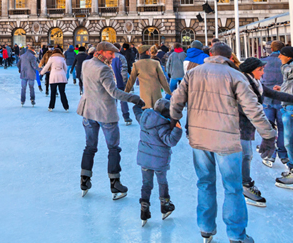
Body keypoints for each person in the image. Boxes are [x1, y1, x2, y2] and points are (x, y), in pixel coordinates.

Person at [170, 43, 276, 243]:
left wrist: (174, 119)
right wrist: (268, 135)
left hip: (199, 138)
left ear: (210, 55)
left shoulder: (193, 73)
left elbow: (176, 100)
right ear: (229, 57)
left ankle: (206, 229)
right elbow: (253, 109)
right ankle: (236, 235)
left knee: (204, 183)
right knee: (233, 187)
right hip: (226, 139)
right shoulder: (235, 75)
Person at [77, 42, 145, 200]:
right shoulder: (104, 69)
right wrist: (135, 98)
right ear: (101, 52)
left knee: (90, 147)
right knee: (113, 148)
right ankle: (115, 183)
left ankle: (84, 180)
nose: (113, 57)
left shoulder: (86, 63)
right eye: (110, 54)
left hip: (88, 110)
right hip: (105, 113)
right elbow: (114, 92)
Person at [238, 57, 293, 206]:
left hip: (247, 125)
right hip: (239, 125)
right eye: (260, 70)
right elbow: (250, 110)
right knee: (246, 155)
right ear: (251, 71)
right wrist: (267, 132)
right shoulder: (244, 84)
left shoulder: (255, 83)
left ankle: (243, 184)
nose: (263, 72)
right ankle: (245, 186)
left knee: (246, 155)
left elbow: (274, 94)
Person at [132, 98, 183, 226]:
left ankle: (144, 208)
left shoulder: (144, 118)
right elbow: (170, 141)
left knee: (146, 184)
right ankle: (165, 204)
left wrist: (138, 105)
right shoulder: (163, 125)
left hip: (144, 160)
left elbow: (137, 112)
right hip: (159, 162)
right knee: (162, 182)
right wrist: (177, 129)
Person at [260, 40, 288, 167]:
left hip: (267, 98)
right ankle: (283, 154)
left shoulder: (263, 62)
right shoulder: (286, 63)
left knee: (269, 128)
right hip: (283, 98)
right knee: (282, 128)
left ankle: (270, 155)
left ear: (271, 49)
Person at [125, 45, 170, 110]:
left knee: (146, 114)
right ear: (147, 52)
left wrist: (126, 91)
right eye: (149, 50)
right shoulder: (155, 63)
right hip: (156, 93)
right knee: (157, 113)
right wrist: (168, 91)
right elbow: (162, 79)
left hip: (144, 95)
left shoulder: (136, 64)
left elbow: (131, 80)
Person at [275, 45, 293, 188]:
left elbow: (288, 74)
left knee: (289, 140)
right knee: (288, 140)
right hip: (286, 105)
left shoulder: (289, 67)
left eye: (281, 54)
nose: (279, 56)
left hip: (290, 107)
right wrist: (282, 89)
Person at [111, 43, 131, 125]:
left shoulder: (108, 57)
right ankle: (126, 117)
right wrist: (125, 81)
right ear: (119, 48)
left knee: (112, 100)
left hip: (110, 82)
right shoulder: (121, 57)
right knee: (123, 100)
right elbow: (124, 71)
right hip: (120, 82)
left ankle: (111, 117)